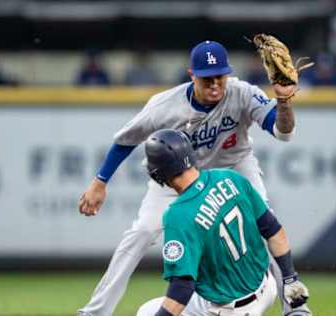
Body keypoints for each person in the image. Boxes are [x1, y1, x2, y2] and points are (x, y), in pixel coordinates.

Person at [78, 40, 312, 316]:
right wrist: (99, 181)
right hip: (178, 177)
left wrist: (283, 101)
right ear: (192, 75)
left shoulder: (242, 93)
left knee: (264, 223)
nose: (215, 84)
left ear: (228, 74)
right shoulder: (164, 105)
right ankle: (95, 312)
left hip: (233, 167)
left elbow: (283, 132)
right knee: (140, 233)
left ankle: (295, 306)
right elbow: (125, 140)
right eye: (206, 78)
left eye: (219, 77)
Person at [136, 129, 309, 316]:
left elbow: (182, 288)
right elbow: (274, 231)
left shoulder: (178, 215)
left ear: (158, 173)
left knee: (148, 312)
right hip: (267, 287)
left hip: (230, 310)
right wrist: (290, 279)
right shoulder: (230, 177)